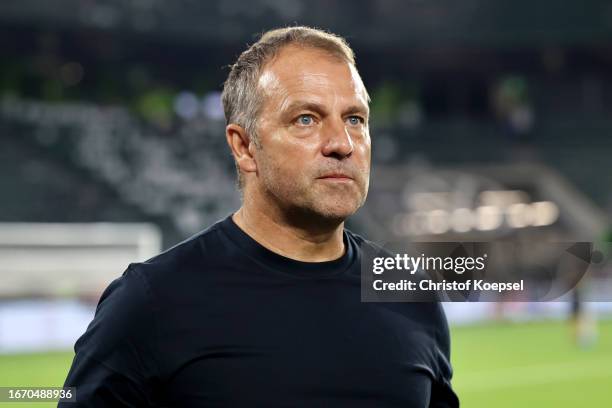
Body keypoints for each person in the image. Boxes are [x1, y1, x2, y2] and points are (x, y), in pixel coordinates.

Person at [60, 26, 459, 407]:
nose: (342, 143)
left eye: (355, 119)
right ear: (244, 147)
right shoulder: (152, 301)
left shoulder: (411, 294)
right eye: (306, 119)